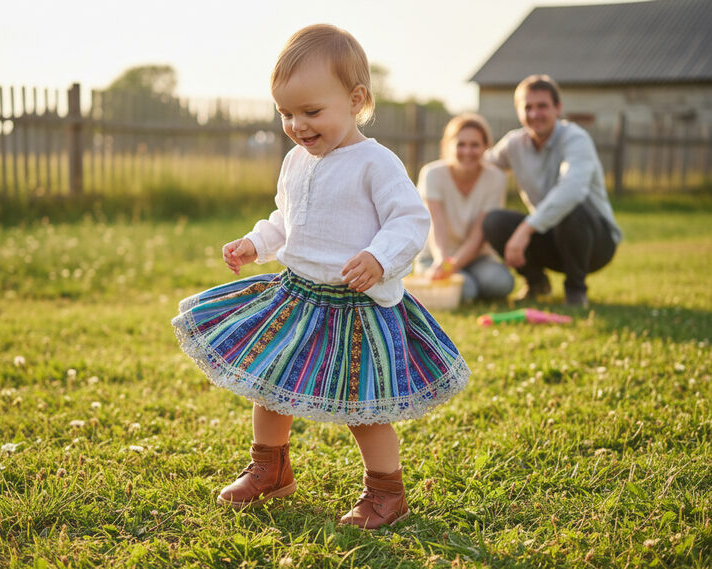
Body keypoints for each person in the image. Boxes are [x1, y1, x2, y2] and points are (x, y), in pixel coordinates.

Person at [171, 24, 470, 530]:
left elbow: (410, 219)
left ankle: (385, 492)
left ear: (356, 100)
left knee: (365, 407)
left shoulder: (375, 162)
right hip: (297, 297)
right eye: (286, 113)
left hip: (354, 305)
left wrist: (379, 256)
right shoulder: (295, 161)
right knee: (269, 385)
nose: (297, 125)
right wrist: (256, 243)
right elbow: (287, 218)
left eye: (311, 112)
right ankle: (271, 467)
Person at [482, 74, 622, 307]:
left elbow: (571, 190)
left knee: (570, 209)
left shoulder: (576, 138)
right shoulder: (513, 144)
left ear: (558, 108)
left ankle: (576, 291)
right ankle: (537, 283)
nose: (535, 114)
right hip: (550, 237)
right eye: (528, 107)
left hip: (595, 242)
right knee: (493, 222)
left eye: (542, 106)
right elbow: (483, 164)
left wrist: (524, 230)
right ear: (518, 112)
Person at [414, 113, 514, 301]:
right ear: (448, 146)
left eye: (474, 145)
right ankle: (469, 284)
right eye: (461, 144)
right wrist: (443, 262)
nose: (467, 151)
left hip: (478, 257)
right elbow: (437, 225)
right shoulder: (432, 174)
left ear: (486, 147)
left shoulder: (496, 178)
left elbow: (479, 233)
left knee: (502, 284)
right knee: (467, 291)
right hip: (437, 257)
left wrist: (454, 266)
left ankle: (472, 281)